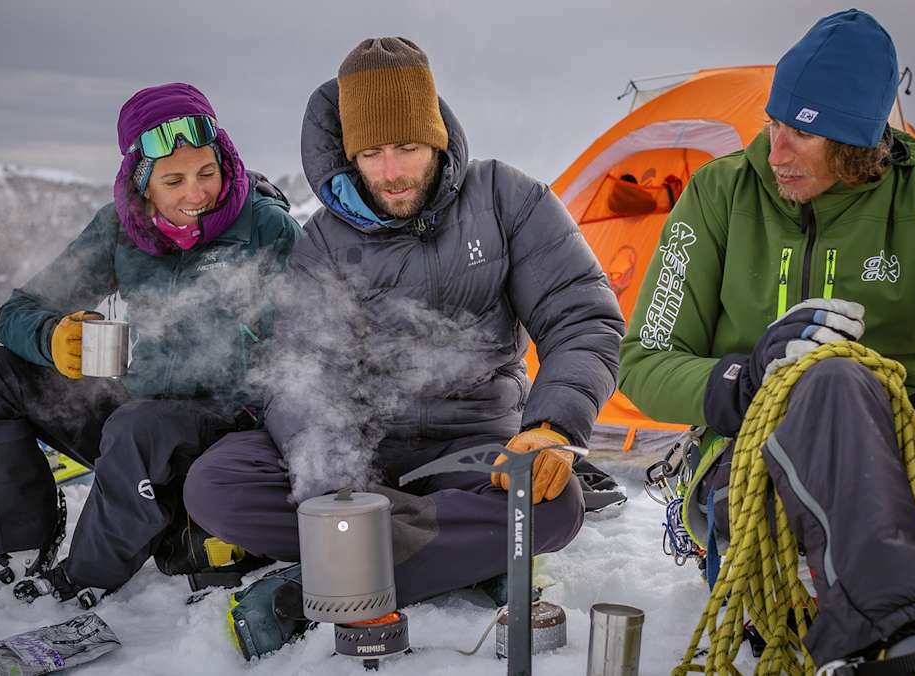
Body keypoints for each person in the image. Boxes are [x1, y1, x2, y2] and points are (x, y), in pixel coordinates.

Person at [618, 9, 915, 673]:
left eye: (801, 134)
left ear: (859, 144)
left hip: (906, 454)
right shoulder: (719, 195)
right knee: (829, 374)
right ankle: (896, 644)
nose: (774, 152)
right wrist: (747, 378)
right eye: (772, 124)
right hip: (753, 459)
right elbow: (641, 362)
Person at [183, 37, 623, 643]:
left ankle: (316, 588)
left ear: (437, 136)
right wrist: (333, 481)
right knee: (217, 485)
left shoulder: (508, 200)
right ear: (349, 153)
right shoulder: (325, 242)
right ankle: (463, 554)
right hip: (361, 452)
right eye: (372, 153)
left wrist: (551, 427)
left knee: (555, 505)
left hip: (476, 446)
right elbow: (299, 370)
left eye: (408, 147)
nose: (391, 173)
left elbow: (582, 318)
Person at [0, 82, 302, 608]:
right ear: (143, 186)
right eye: (174, 180)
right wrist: (53, 337)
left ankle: (82, 577)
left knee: (137, 424)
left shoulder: (268, 230)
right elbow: (17, 310)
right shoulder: (119, 230)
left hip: (224, 430)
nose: (196, 194)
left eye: (207, 173)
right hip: (136, 416)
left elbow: (316, 348)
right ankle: (21, 549)